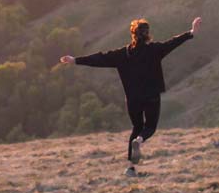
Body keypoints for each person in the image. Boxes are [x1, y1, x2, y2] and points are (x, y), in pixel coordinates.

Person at [61, 16, 201, 165]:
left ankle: (131, 167)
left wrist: (75, 60)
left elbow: (100, 58)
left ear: (133, 34)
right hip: (151, 96)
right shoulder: (155, 50)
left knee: (137, 127)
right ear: (147, 34)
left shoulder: (122, 54)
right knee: (150, 127)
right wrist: (191, 32)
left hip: (133, 99)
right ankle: (139, 140)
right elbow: (172, 43)